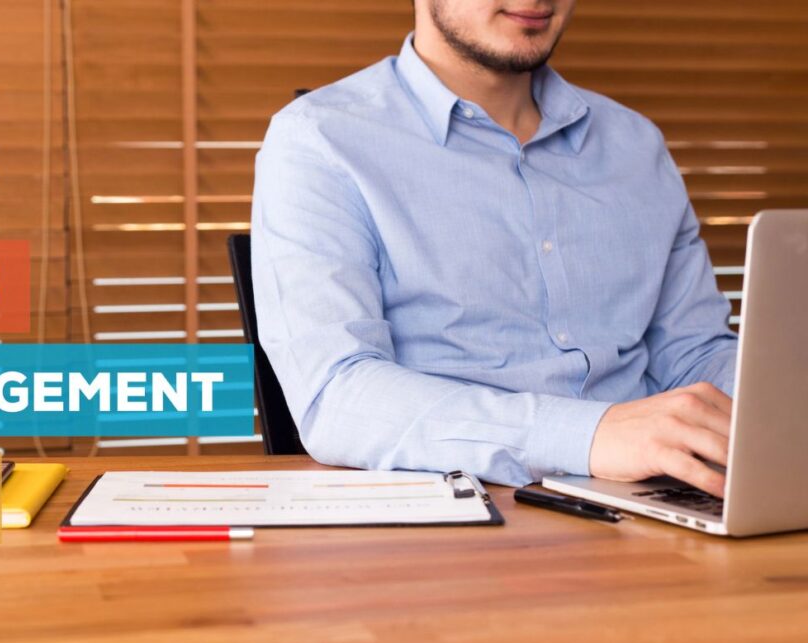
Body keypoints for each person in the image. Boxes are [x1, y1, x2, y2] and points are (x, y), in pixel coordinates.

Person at [251, 0, 736, 496]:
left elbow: (694, 353)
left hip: (660, 498)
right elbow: (336, 396)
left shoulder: (634, 144)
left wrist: (775, 404)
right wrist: (587, 436)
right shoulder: (320, 139)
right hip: (455, 518)